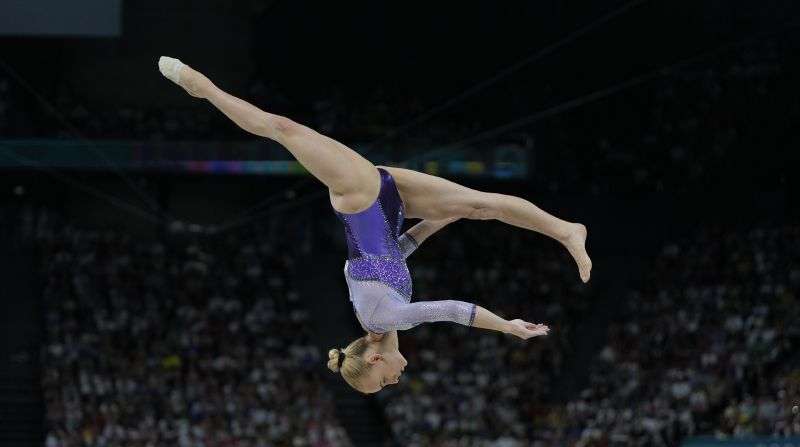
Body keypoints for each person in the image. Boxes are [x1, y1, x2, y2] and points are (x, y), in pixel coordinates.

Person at [158, 57, 591, 394]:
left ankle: (203, 88)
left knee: (283, 130)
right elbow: (387, 256)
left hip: (360, 195)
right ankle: (566, 229)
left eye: (383, 382)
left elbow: (454, 311)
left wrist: (507, 327)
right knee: (478, 204)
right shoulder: (378, 314)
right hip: (390, 203)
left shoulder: (388, 317)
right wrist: (437, 223)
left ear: (377, 361)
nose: (397, 381)